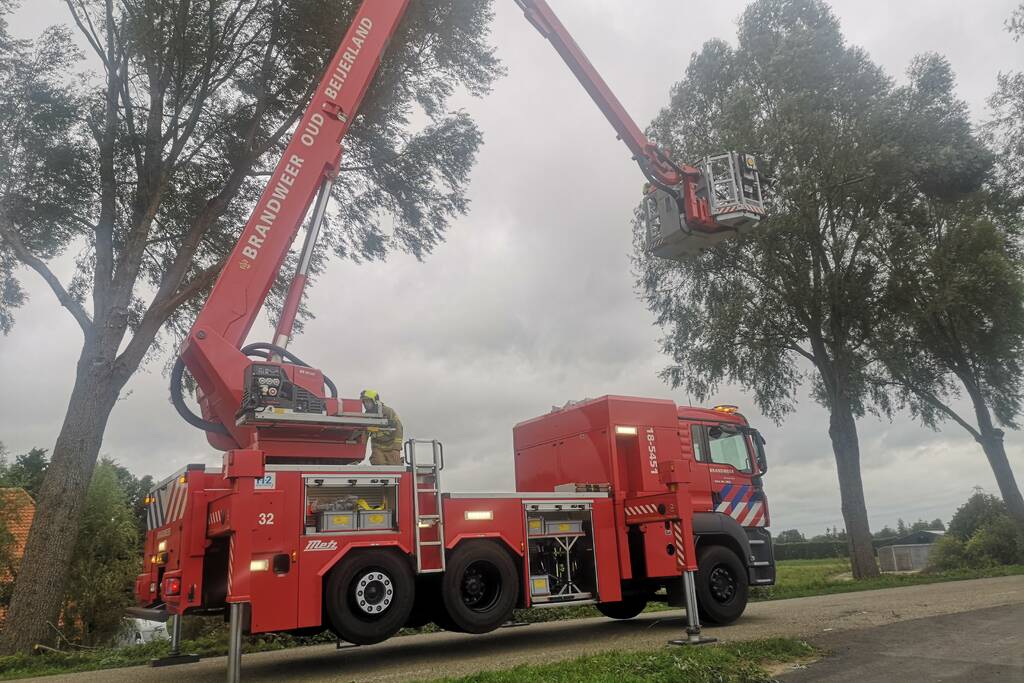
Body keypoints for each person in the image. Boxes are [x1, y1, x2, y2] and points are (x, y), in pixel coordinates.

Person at [360, 389, 403, 465]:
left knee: (395, 467)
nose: (366, 404)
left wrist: (396, 448)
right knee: (379, 464)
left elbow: (399, 429)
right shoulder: (366, 417)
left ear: (375, 401)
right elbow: (364, 434)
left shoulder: (388, 411)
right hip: (377, 448)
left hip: (392, 446)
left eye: (368, 401)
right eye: (364, 402)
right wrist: (360, 453)